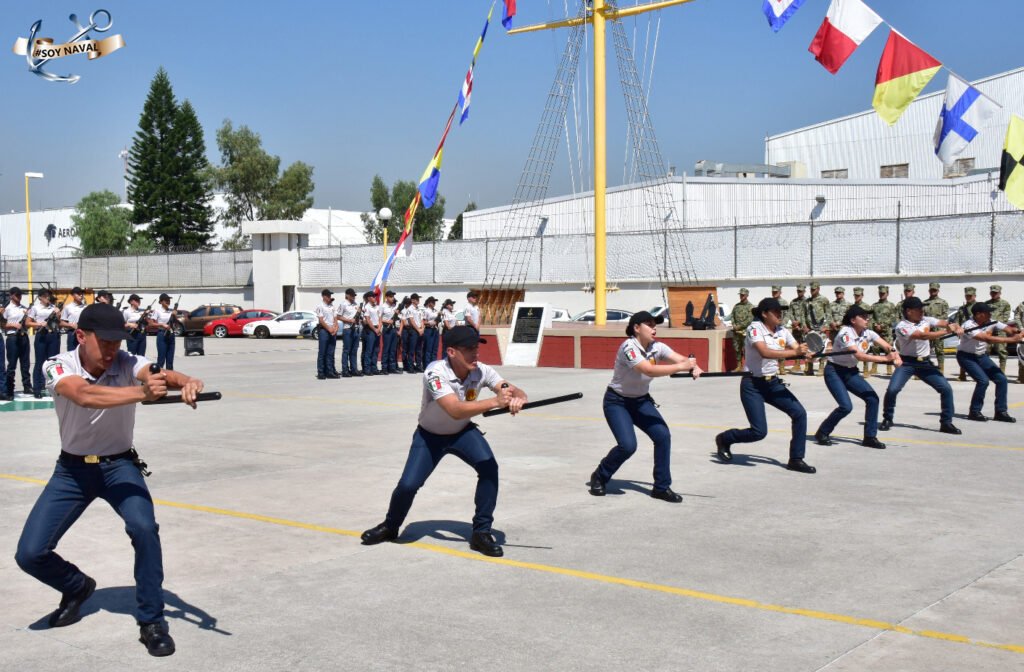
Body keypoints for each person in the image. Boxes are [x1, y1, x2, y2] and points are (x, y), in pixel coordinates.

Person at [14, 302, 205, 657]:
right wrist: (142, 394)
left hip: (120, 466)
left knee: (144, 529)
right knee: (29, 553)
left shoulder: (125, 360)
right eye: (105, 343)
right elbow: (84, 396)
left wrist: (187, 381)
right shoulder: (58, 364)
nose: (112, 350)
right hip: (72, 471)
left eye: (117, 342)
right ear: (81, 336)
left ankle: (151, 619)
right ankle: (77, 586)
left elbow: (158, 372)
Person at [360, 326, 527, 557]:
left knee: (489, 469)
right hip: (429, 436)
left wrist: (517, 397)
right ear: (451, 352)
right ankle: (390, 526)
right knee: (408, 485)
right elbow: (455, 410)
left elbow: (509, 388)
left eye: (476, 348)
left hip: (462, 432)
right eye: (469, 349)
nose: (475, 354)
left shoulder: (481, 370)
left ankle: (481, 532)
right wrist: (495, 402)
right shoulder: (434, 373)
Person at [588, 311, 703, 502]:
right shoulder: (628, 347)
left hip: (640, 401)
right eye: (649, 324)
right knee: (628, 446)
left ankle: (661, 487)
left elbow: (681, 359)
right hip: (617, 402)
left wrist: (693, 366)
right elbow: (648, 369)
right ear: (636, 328)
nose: (654, 328)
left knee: (662, 436)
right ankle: (600, 475)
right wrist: (682, 366)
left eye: (655, 324)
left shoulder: (657, 347)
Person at [714, 298, 816, 474]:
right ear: (764, 314)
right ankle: (725, 438)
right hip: (752, 384)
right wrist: (796, 353)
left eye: (781, 311)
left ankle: (796, 459)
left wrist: (807, 353)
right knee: (759, 432)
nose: (780, 314)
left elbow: (797, 347)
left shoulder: (782, 331)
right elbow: (764, 352)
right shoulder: (754, 329)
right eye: (776, 311)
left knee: (799, 413)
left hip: (773, 384)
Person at [813, 305, 900, 449]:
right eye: (863, 317)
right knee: (846, 406)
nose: (867, 319)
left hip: (850, 371)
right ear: (853, 320)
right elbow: (858, 355)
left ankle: (870, 437)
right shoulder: (845, 334)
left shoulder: (868, 333)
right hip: (835, 371)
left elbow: (886, 345)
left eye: (867, 316)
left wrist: (894, 354)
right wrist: (886, 359)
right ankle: (823, 432)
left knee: (872, 398)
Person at [881, 297, 963, 434]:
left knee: (946, 389)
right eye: (918, 309)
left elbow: (944, 322)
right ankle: (887, 418)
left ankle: (946, 423)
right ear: (908, 311)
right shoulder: (902, 327)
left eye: (922, 308)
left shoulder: (926, 319)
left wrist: (955, 326)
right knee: (892, 390)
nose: (921, 311)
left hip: (925, 363)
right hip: (907, 363)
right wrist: (947, 331)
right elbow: (922, 336)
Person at [956, 302, 1021, 423]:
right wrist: (1011, 340)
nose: (990, 314)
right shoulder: (969, 325)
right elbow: (987, 339)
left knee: (1001, 379)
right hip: (966, 357)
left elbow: (1008, 328)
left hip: (981, 356)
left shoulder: (990, 321)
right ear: (979, 314)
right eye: (987, 312)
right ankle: (974, 411)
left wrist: (1017, 332)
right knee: (983, 381)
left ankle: (1000, 412)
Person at [26, 289, 61, 399]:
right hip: (41, 335)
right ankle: (37, 388)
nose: (48, 298)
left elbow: (58, 322)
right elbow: (28, 322)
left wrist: (58, 313)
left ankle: (54, 388)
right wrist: (38, 323)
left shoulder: (53, 308)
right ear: (40, 297)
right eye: (45, 296)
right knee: (39, 362)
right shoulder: (35, 308)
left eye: (49, 296)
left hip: (53, 335)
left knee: (53, 362)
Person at [5, 286, 32, 397]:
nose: (19, 297)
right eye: (17, 295)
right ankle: (9, 388)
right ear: (11, 295)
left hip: (23, 336)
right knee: (12, 364)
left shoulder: (24, 308)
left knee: (25, 363)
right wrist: (13, 324)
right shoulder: (7, 309)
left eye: (20, 295)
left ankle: (27, 386)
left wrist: (28, 316)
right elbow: (2, 324)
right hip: (12, 337)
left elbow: (29, 323)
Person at [870, 285, 898, 376]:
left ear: (887, 294)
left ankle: (889, 368)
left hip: (887, 331)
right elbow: (871, 318)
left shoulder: (891, 305)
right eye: (880, 293)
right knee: (875, 349)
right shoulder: (874, 305)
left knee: (888, 349)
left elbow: (894, 318)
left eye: (883, 293)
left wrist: (882, 325)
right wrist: (875, 325)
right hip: (876, 332)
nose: (882, 295)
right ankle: (874, 368)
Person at [923, 282, 950, 375]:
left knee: (939, 350)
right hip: (928, 329)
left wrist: (936, 322)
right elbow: (922, 316)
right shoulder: (924, 303)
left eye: (934, 290)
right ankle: (925, 368)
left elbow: (945, 315)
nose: (933, 291)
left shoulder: (943, 302)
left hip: (938, 329)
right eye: (931, 290)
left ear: (938, 290)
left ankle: (941, 368)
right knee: (925, 349)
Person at [954, 287, 978, 382]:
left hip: (975, 334)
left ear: (974, 296)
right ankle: (962, 374)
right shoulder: (962, 308)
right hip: (964, 334)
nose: (968, 297)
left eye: (970, 296)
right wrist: (958, 329)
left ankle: (976, 375)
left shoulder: (978, 307)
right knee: (963, 354)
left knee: (976, 354)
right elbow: (957, 321)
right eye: (967, 296)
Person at [314, 288, 339, 380]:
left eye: (330, 296)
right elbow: (321, 320)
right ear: (324, 296)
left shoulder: (331, 306)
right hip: (324, 330)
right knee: (322, 352)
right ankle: (321, 372)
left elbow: (335, 318)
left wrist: (336, 328)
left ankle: (330, 371)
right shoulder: (320, 306)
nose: (329, 297)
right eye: (328, 296)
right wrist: (329, 329)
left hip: (332, 330)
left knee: (330, 352)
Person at [806, 281, 830, 376]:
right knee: (809, 347)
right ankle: (810, 368)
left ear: (818, 289)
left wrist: (826, 326)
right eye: (811, 289)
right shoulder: (807, 301)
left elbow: (828, 313)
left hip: (820, 328)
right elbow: (804, 315)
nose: (812, 291)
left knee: (822, 347)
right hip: (810, 327)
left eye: (814, 289)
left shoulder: (824, 300)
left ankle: (821, 367)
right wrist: (804, 325)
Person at [988, 285, 1013, 373]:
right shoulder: (986, 304)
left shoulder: (1005, 303)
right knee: (984, 351)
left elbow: (1006, 317)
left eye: (995, 292)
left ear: (999, 293)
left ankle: (1002, 372)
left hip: (1000, 330)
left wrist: (997, 324)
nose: (994, 294)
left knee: (1002, 352)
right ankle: (985, 371)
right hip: (988, 330)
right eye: (992, 292)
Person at [728, 289, 753, 373]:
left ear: (747, 295)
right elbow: (732, 316)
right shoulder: (736, 306)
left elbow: (750, 319)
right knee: (737, 349)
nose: (741, 296)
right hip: (736, 332)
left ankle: (747, 366)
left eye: (743, 295)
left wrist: (740, 326)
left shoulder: (751, 307)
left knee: (747, 349)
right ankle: (739, 366)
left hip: (745, 332)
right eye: (740, 295)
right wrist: (734, 325)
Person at [851, 287, 874, 377]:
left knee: (865, 349)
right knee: (855, 350)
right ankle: (854, 368)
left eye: (858, 295)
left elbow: (870, 319)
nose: (857, 297)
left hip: (864, 331)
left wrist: (869, 330)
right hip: (855, 331)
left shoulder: (867, 307)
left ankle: (865, 369)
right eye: (855, 295)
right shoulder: (852, 307)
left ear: (862, 295)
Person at [787, 284, 808, 375]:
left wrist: (799, 322)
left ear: (804, 291)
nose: (799, 292)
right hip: (795, 328)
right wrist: (793, 322)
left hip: (804, 327)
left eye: (801, 291)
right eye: (798, 291)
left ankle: (807, 364)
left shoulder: (808, 302)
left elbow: (808, 314)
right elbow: (790, 313)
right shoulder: (793, 302)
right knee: (796, 345)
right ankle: (797, 363)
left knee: (805, 345)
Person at [152, 293, 177, 371]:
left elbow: (175, 324)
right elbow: (151, 323)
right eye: (166, 300)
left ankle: (169, 380)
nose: (168, 301)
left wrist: (175, 316)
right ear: (161, 301)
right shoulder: (157, 311)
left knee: (170, 360)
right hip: (162, 334)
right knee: (161, 359)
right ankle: (157, 378)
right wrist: (162, 324)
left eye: (169, 300)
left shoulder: (171, 312)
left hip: (171, 334)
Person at [60, 287, 87, 352]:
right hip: (72, 333)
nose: (81, 295)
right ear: (73, 295)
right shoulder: (68, 307)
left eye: (82, 294)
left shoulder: (86, 307)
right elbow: (61, 323)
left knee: (84, 353)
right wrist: (71, 325)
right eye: (78, 294)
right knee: (72, 353)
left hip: (84, 333)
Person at [379, 290, 400, 374]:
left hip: (394, 329)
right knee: (386, 348)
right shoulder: (383, 306)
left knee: (393, 349)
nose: (392, 298)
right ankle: (384, 367)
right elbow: (379, 318)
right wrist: (387, 322)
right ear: (387, 297)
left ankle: (392, 367)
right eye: (391, 296)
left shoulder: (394, 306)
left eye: (393, 296)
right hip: (387, 329)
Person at [361, 291, 381, 375]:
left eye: (375, 296)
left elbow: (380, 318)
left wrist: (379, 328)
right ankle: (367, 368)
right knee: (369, 350)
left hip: (377, 329)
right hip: (370, 330)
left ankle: (374, 367)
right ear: (369, 298)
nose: (374, 298)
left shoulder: (377, 306)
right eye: (373, 296)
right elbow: (367, 320)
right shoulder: (367, 307)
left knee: (376, 350)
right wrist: (374, 329)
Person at [406, 293, 424, 372]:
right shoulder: (410, 309)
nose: (418, 300)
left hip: (420, 330)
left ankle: (418, 366)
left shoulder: (418, 309)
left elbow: (421, 319)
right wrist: (418, 329)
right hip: (413, 330)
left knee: (419, 349)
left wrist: (422, 328)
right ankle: (410, 367)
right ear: (412, 300)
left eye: (418, 299)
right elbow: (411, 320)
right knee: (412, 349)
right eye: (417, 299)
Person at [421, 296, 441, 366]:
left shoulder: (435, 311)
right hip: (429, 330)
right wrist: (430, 323)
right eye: (432, 302)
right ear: (429, 303)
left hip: (435, 330)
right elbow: (423, 321)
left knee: (435, 348)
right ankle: (427, 365)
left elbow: (438, 320)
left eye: (434, 302)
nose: (434, 303)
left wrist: (439, 318)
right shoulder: (426, 310)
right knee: (428, 349)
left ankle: (433, 364)